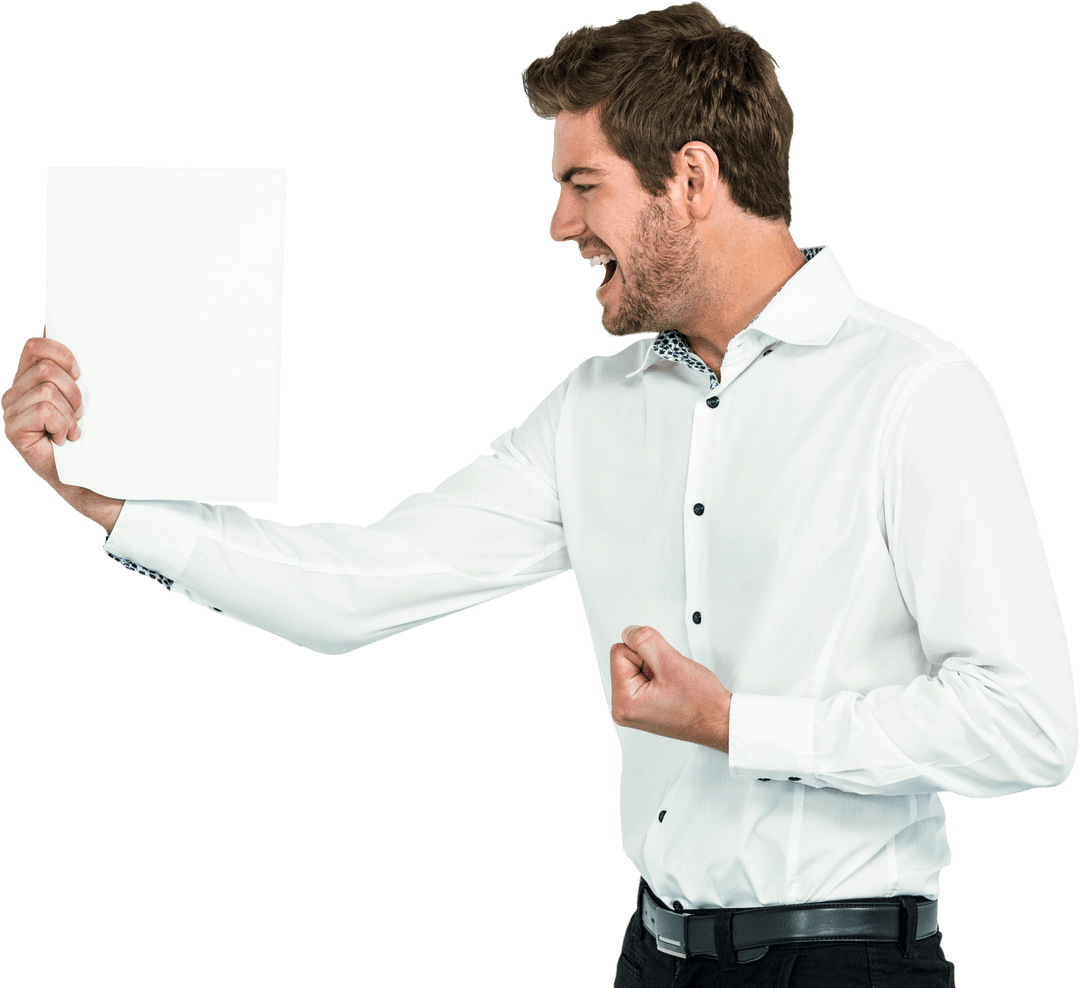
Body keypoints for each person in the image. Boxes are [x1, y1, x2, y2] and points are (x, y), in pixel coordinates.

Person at [4, 3, 1076, 985]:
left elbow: (1029, 724)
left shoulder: (914, 390)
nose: (559, 227)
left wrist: (740, 724)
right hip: (650, 955)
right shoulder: (592, 408)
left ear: (691, 180)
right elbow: (357, 587)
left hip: (848, 968)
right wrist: (113, 503)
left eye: (582, 183)